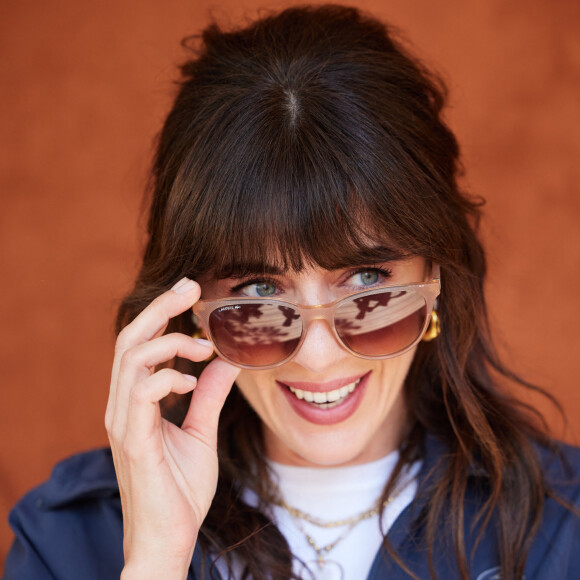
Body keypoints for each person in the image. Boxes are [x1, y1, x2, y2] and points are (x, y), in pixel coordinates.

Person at [4, 5, 579, 580]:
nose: (318, 356)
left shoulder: (564, 529)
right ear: (193, 310)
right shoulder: (66, 540)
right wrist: (157, 557)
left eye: (369, 281)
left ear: (437, 283)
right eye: (258, 290)